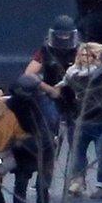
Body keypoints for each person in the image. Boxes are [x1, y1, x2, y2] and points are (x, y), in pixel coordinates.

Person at [38, 42, 102, 198]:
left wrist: (101, 54)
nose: (85, 58)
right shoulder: (72, 72)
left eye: (89, 55)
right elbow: (62, 84)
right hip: (81, 117)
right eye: (82, 55)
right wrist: (52, 91)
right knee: (78, 150)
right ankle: (78, 180)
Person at [7, 75, 57, 203]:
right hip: (30, 147)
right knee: (29, 185)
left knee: (36, 186)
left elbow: (46, 134)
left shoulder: (44, 106)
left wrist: (17, 144)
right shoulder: (18, 102)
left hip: (40, 148)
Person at [24, 15, 76, 144]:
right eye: (61, 35)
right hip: (52, 94)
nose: (64, 38)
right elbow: (29, 74)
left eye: (67, 35)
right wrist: (48, 89)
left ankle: (75, 161)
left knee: (75, 137)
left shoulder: (80, 50)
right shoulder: (45, 51)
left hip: (74, 96)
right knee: (50, 127)